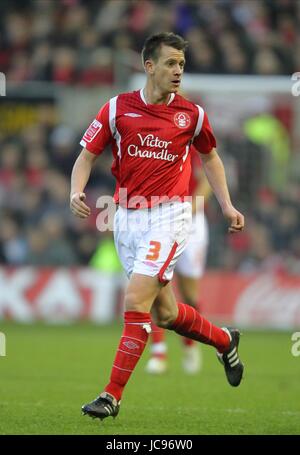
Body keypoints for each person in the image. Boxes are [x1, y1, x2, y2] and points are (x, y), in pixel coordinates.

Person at [70, 32, 245, 421]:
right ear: (149, 66)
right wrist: (75, 192)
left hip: (170, 216)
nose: (178, 71)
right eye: (170, 63)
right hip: (126, 217)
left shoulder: (192, 115)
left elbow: (211, 158)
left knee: (135, 302)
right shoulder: (117, 109)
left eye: (182, 64)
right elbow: (87, 156)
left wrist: (227, 204)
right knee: (164, 314)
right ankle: (224, 340)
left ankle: (111, 396)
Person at [145, 147, 212, 374]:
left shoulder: (192, 144)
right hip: (160, 219)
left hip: (191, 222)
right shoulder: (155, 145)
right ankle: (159, 352)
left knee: (190, 294)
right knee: (153, 284)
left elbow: (205, 183)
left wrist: (188, 210)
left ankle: (190, 344)